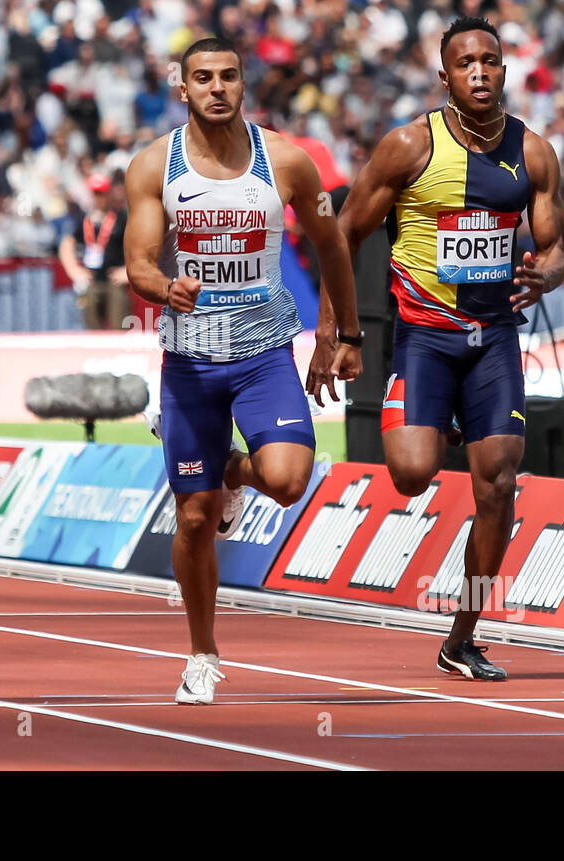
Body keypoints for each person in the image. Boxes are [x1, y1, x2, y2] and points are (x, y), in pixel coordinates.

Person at [309, 17, 564, 682]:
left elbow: (555, 243)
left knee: (500, 480)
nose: (479, 72)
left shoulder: (534, 152)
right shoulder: (408, 146)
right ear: (445, 76)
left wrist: (549, 271)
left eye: (490, 60)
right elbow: (344, 231)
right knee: (412, 473)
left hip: (495, 341)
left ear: (505, 69)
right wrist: (336, 331)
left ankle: (463, 634)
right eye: (465, 63)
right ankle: (443, 420)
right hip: (426, 337)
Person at [124, 36, 362, 704]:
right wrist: (161, 286)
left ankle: (234, 468)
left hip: (263, 356)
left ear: (243, 84)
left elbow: (331, 241)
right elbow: (138, 260)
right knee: (195, 520)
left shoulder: (286, 162)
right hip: (192, 362)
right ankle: (202, 653)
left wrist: (343, 331)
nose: (218, 88)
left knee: (287, 480)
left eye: (229, 76)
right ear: (185, 87)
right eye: (204, 78)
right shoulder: (154, 167)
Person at [59, 172, 131, 329]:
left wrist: (129, 271)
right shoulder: (82, 218)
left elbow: (139, 244)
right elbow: (66, 244)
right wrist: (74, 270)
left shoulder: (121, 218)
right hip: (91, 281)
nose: (98, 197)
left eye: (102, 193)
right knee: (90, 322)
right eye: (95, 193)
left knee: (120, 324)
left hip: (114, 280)